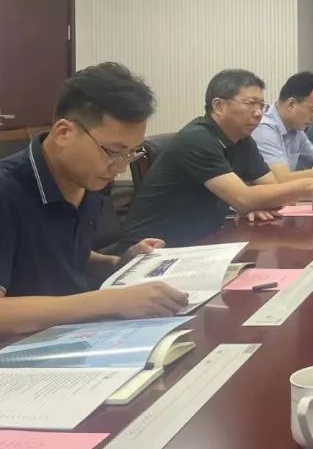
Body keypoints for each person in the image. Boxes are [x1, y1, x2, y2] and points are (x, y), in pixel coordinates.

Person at [0, 63, 189, 336]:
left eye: (131, 153)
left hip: (72, 333)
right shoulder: (7, 191)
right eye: (113, 152)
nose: (120, 167)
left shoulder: (86, 178)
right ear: (64, 133)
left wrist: (118, 262)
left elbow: (54, 253)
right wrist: (108, 302)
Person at [122, 69, 313, 248]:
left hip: (202, 241)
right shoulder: (198, 139)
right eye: (250, 104)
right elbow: (243, 199)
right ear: (218, 106)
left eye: (261, 105)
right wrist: (306, 185)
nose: (258, 113)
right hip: (152, 249)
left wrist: (258, 201)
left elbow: (273, 189)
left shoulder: (242, 140)